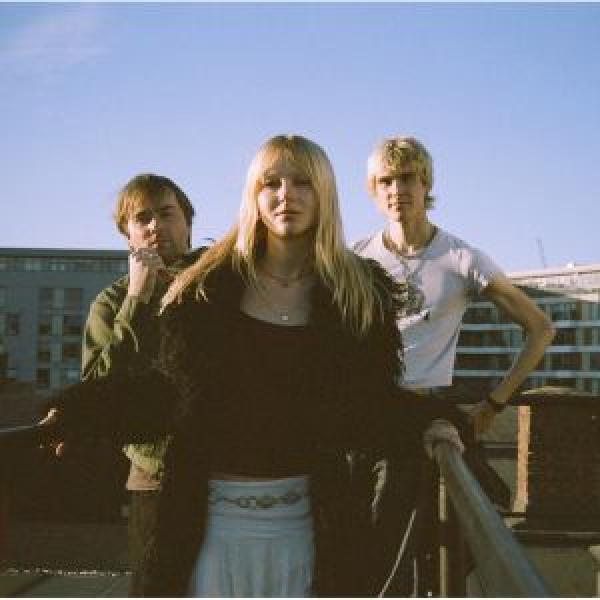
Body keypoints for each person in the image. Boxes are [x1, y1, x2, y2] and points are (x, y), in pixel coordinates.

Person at [42, 135, 466, 598]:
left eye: (302, 182)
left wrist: (430, 420)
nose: (286, 195)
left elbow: (367, 406)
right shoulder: (206, 285)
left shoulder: (359, 292)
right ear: (254, 195)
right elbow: (172, 392)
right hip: (209, 528)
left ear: (324, 192)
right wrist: (85, 409)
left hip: (311, 527)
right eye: (271, 183)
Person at [353, 136, 555, 594]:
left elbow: (541, 329)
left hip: (428, 411)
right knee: (370, 539)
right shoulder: (356, 257)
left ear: (426, 184)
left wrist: (494, 403)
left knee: (451, 530)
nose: (396, 190)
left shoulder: (461, 258)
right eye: (385, 181)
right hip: (370, 417)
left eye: (407, 178)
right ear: (373, 190)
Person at [79, 173, 203, 596]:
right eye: (142, 219)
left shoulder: (221, 282)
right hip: (156, 476)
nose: (154, 226)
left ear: (188, 222)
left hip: (227, 468)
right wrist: (136, 298)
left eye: (166, 214)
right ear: (126, 234)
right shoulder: (111, 303)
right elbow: (97, 390)